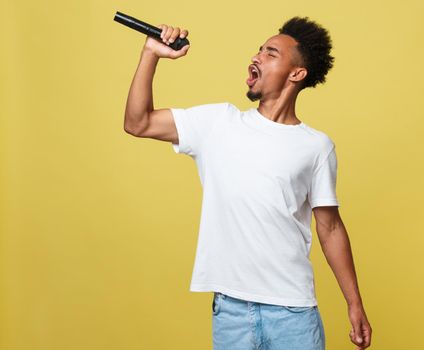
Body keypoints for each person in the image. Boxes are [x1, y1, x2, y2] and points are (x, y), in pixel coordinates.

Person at [123, 16, 372, 350]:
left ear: (297, 73)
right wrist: (150, 54)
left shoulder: (316, 146)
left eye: (270, 53)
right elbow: (137, 123)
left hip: (293, 313)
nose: (256, 57)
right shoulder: (217, 124)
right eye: (258, 50)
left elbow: (330, 229)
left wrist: (354, 303)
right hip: (231, 313)